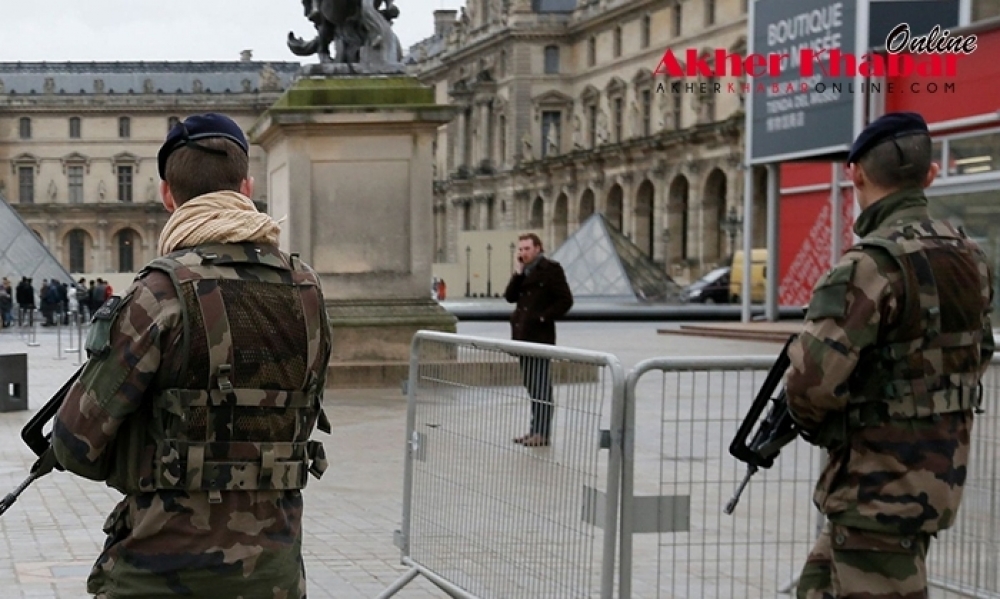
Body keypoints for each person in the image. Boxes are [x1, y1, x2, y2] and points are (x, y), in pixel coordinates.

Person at [52, 113, 333, 598]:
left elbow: (76, 444)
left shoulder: (160, 292)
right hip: (275, 576)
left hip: (158, 574)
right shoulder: (306, 289)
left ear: (167, 195)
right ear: (246, 186)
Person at [785, 112, 995, 599]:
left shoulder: (868, 265)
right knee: (818, 584)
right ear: (930, 175)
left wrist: (827, 424)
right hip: (937, 473)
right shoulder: (970, 256)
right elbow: (977, 353)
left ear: (855, 172)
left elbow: (810, 385)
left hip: (873, 485)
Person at [503, 233, 573, 447]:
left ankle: (542, 433)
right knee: (531, 384)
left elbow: (566, 300)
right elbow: (510, 297)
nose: (522, 253)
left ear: (538, 248)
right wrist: (517, 274)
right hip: (523, 336)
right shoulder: (524, 272)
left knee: (541, 386)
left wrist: (543, 317)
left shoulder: (551, 269)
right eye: (520, 249)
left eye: (526, 248)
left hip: (540, 337)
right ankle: (534, 429)